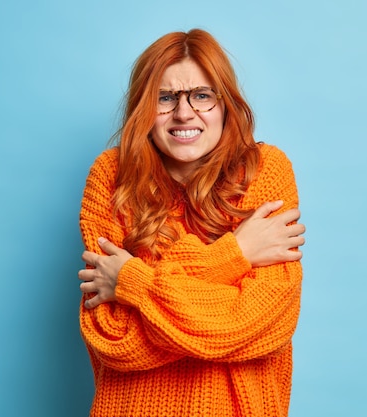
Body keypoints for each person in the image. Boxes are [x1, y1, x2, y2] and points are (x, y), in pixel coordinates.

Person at [77, 28, 306, 417]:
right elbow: (113, 337)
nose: (184, 113)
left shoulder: (264, 171)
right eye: (165, 98)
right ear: (143, 108)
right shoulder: (111, 175)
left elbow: (261, 324)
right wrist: (235, 255)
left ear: (225, 104)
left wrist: (132, 281)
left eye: (201, 95)